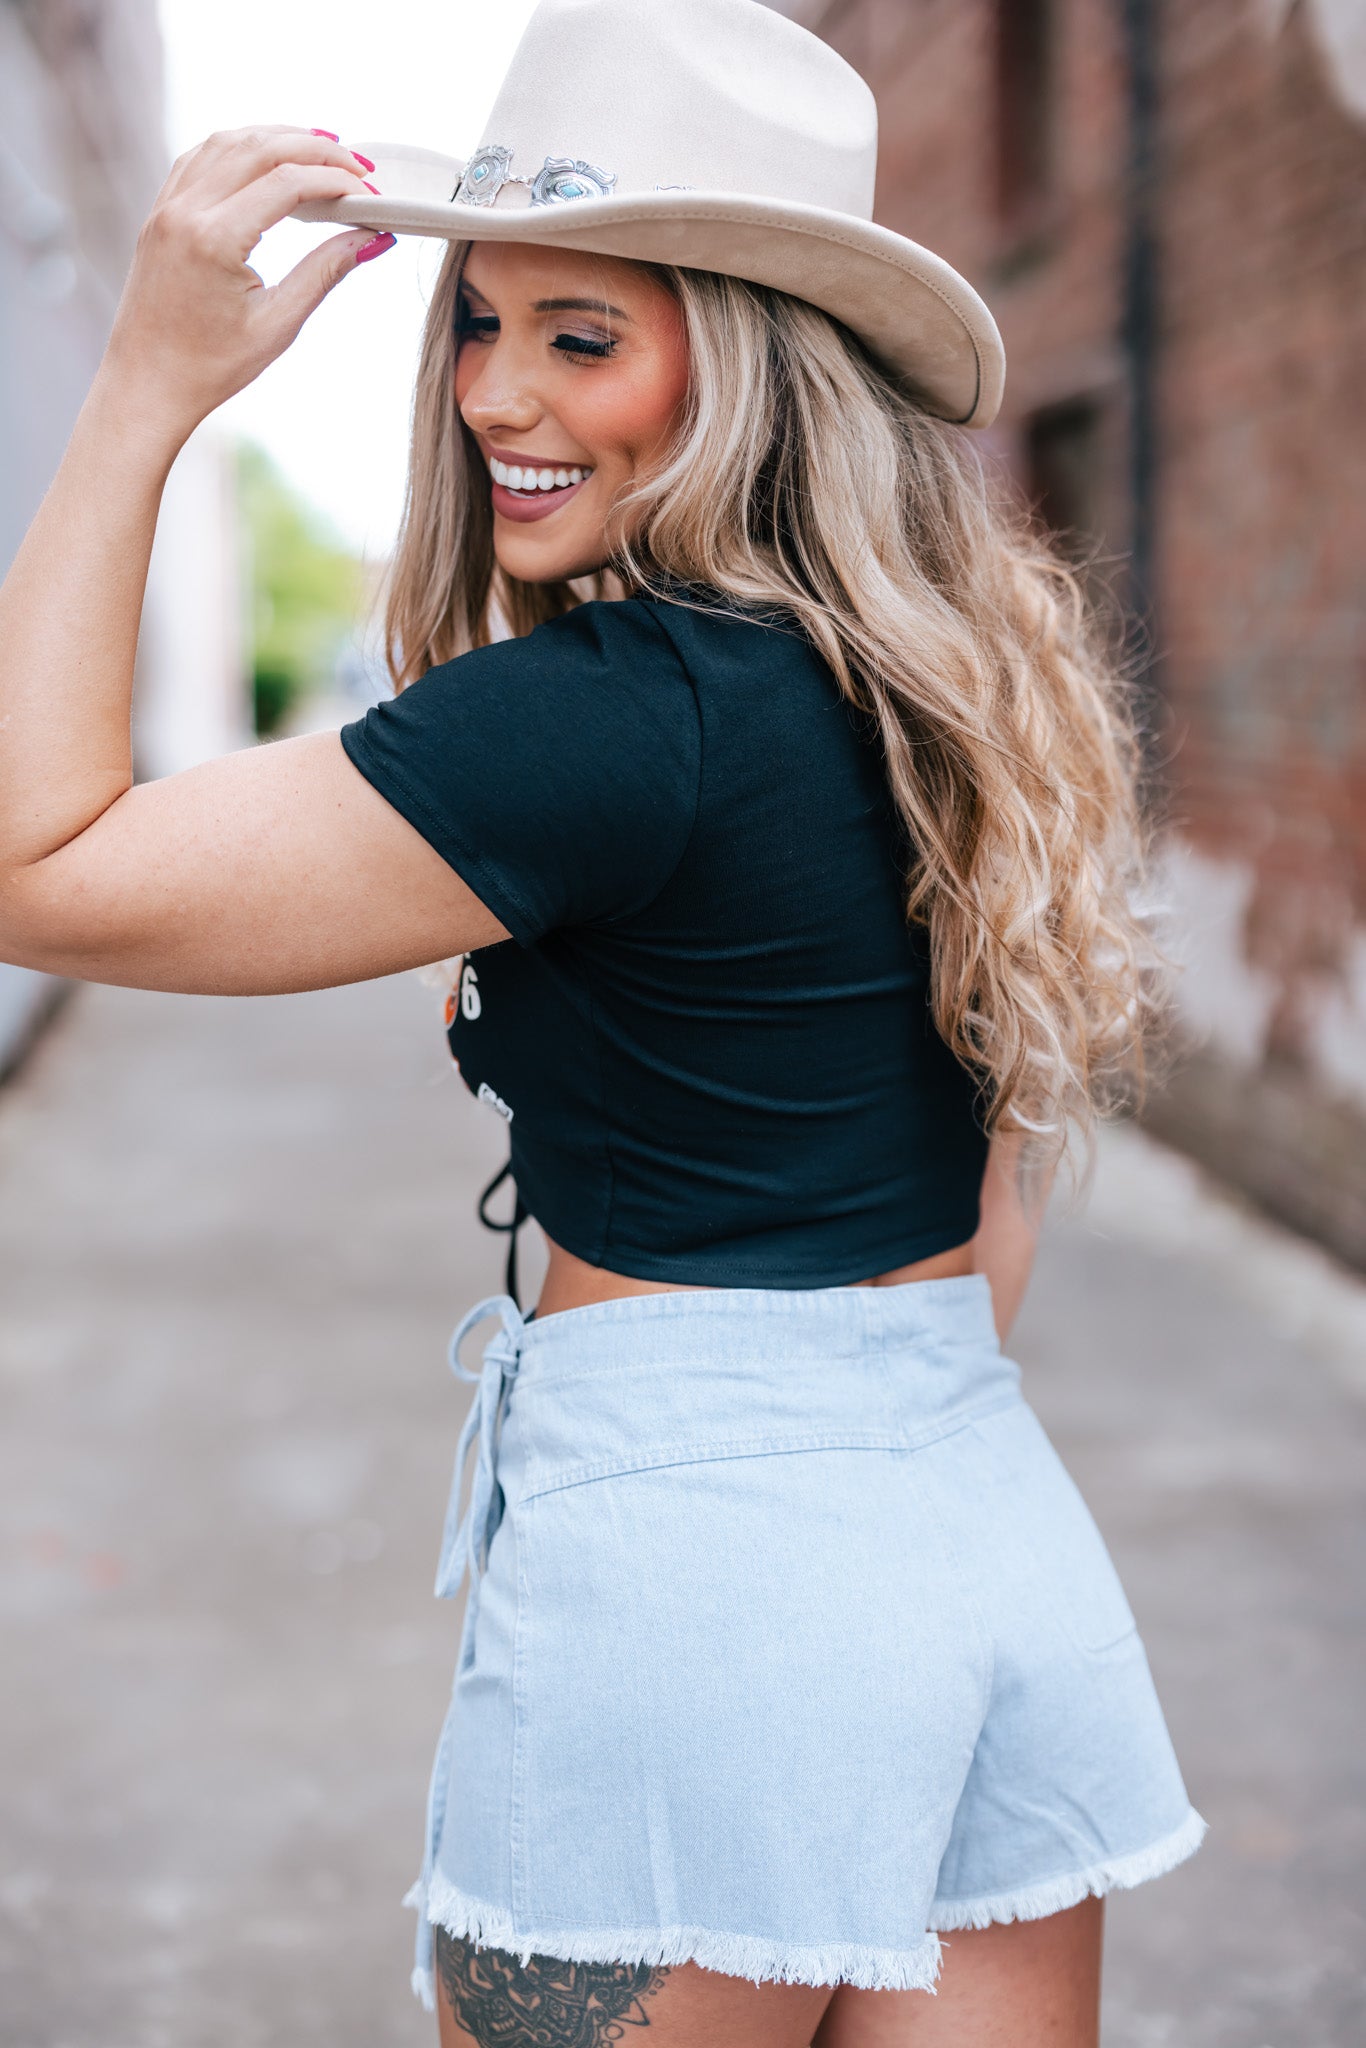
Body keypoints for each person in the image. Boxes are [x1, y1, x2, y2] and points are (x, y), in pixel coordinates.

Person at [0, 1, 1205, 2042]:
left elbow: (35, 864)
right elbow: (987, 1212)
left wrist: (142, 389)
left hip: (697, 1600)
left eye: (582, 335)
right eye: (479, 322)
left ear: (744, 362)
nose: (494, 393)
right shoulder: (942, 690)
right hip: (981, 1539)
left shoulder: (605, 720)